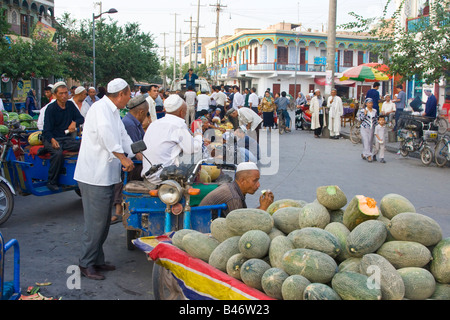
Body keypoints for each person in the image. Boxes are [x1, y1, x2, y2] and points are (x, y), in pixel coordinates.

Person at [74, 78, 135, 280]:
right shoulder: (100, 109)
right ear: (121, 94)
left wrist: (137, 152)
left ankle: (97, 259)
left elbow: (122, 135)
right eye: (128, 95)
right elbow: (106, 136)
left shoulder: (114, 111)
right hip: (94, 175)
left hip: (106, 175)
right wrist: (123, 157)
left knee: (103, 222)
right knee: (95, 223)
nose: (129, 99)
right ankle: (86, 263)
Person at [142, 94, 203, 188]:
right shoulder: (178, 124)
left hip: (150, 174)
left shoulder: (155, 123)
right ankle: (185, 185)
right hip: (164, 176)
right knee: (198, 151)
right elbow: (192, 149)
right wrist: (199, 137)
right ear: (182, 112)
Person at [111, 95, 149, 225]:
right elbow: (137, 149)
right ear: (141, 112)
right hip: (127, 163)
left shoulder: (135, 123)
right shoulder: (129, 124)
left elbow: (143, 144)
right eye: (146, 114)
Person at [42, 82, 84, 191]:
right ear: (55, 95)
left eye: (66, 93)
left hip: (65, 138)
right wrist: (52, 140)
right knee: (58, 153)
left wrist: (74, 122)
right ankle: (52, 181)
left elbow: (81, 118)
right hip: (51, 138)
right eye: (61, 93)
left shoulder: (70, 105)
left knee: (84, 146)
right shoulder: (51, 109)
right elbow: (46, 130)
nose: (64, 96)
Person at [199, 162, 274, 218]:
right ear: (242, 181)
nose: (258, 185)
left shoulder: (234, 188)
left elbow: (245, 216)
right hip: (203, 228)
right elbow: (241, 226)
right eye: (255, 180)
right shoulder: (234, 197)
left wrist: (263, 206)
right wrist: (263, 208)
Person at [358, 98, 378, 162]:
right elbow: (360, 119)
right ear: (366, 104)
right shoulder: (362, 111)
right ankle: (369, 156)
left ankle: (364, 154)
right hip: (364, 127)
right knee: (366, 141)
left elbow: (376, 120)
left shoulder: (374, 111)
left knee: (370, 142)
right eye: (369, 103)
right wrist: (365, 114)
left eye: (371, 103)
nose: (370, 104)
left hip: (371, 128)